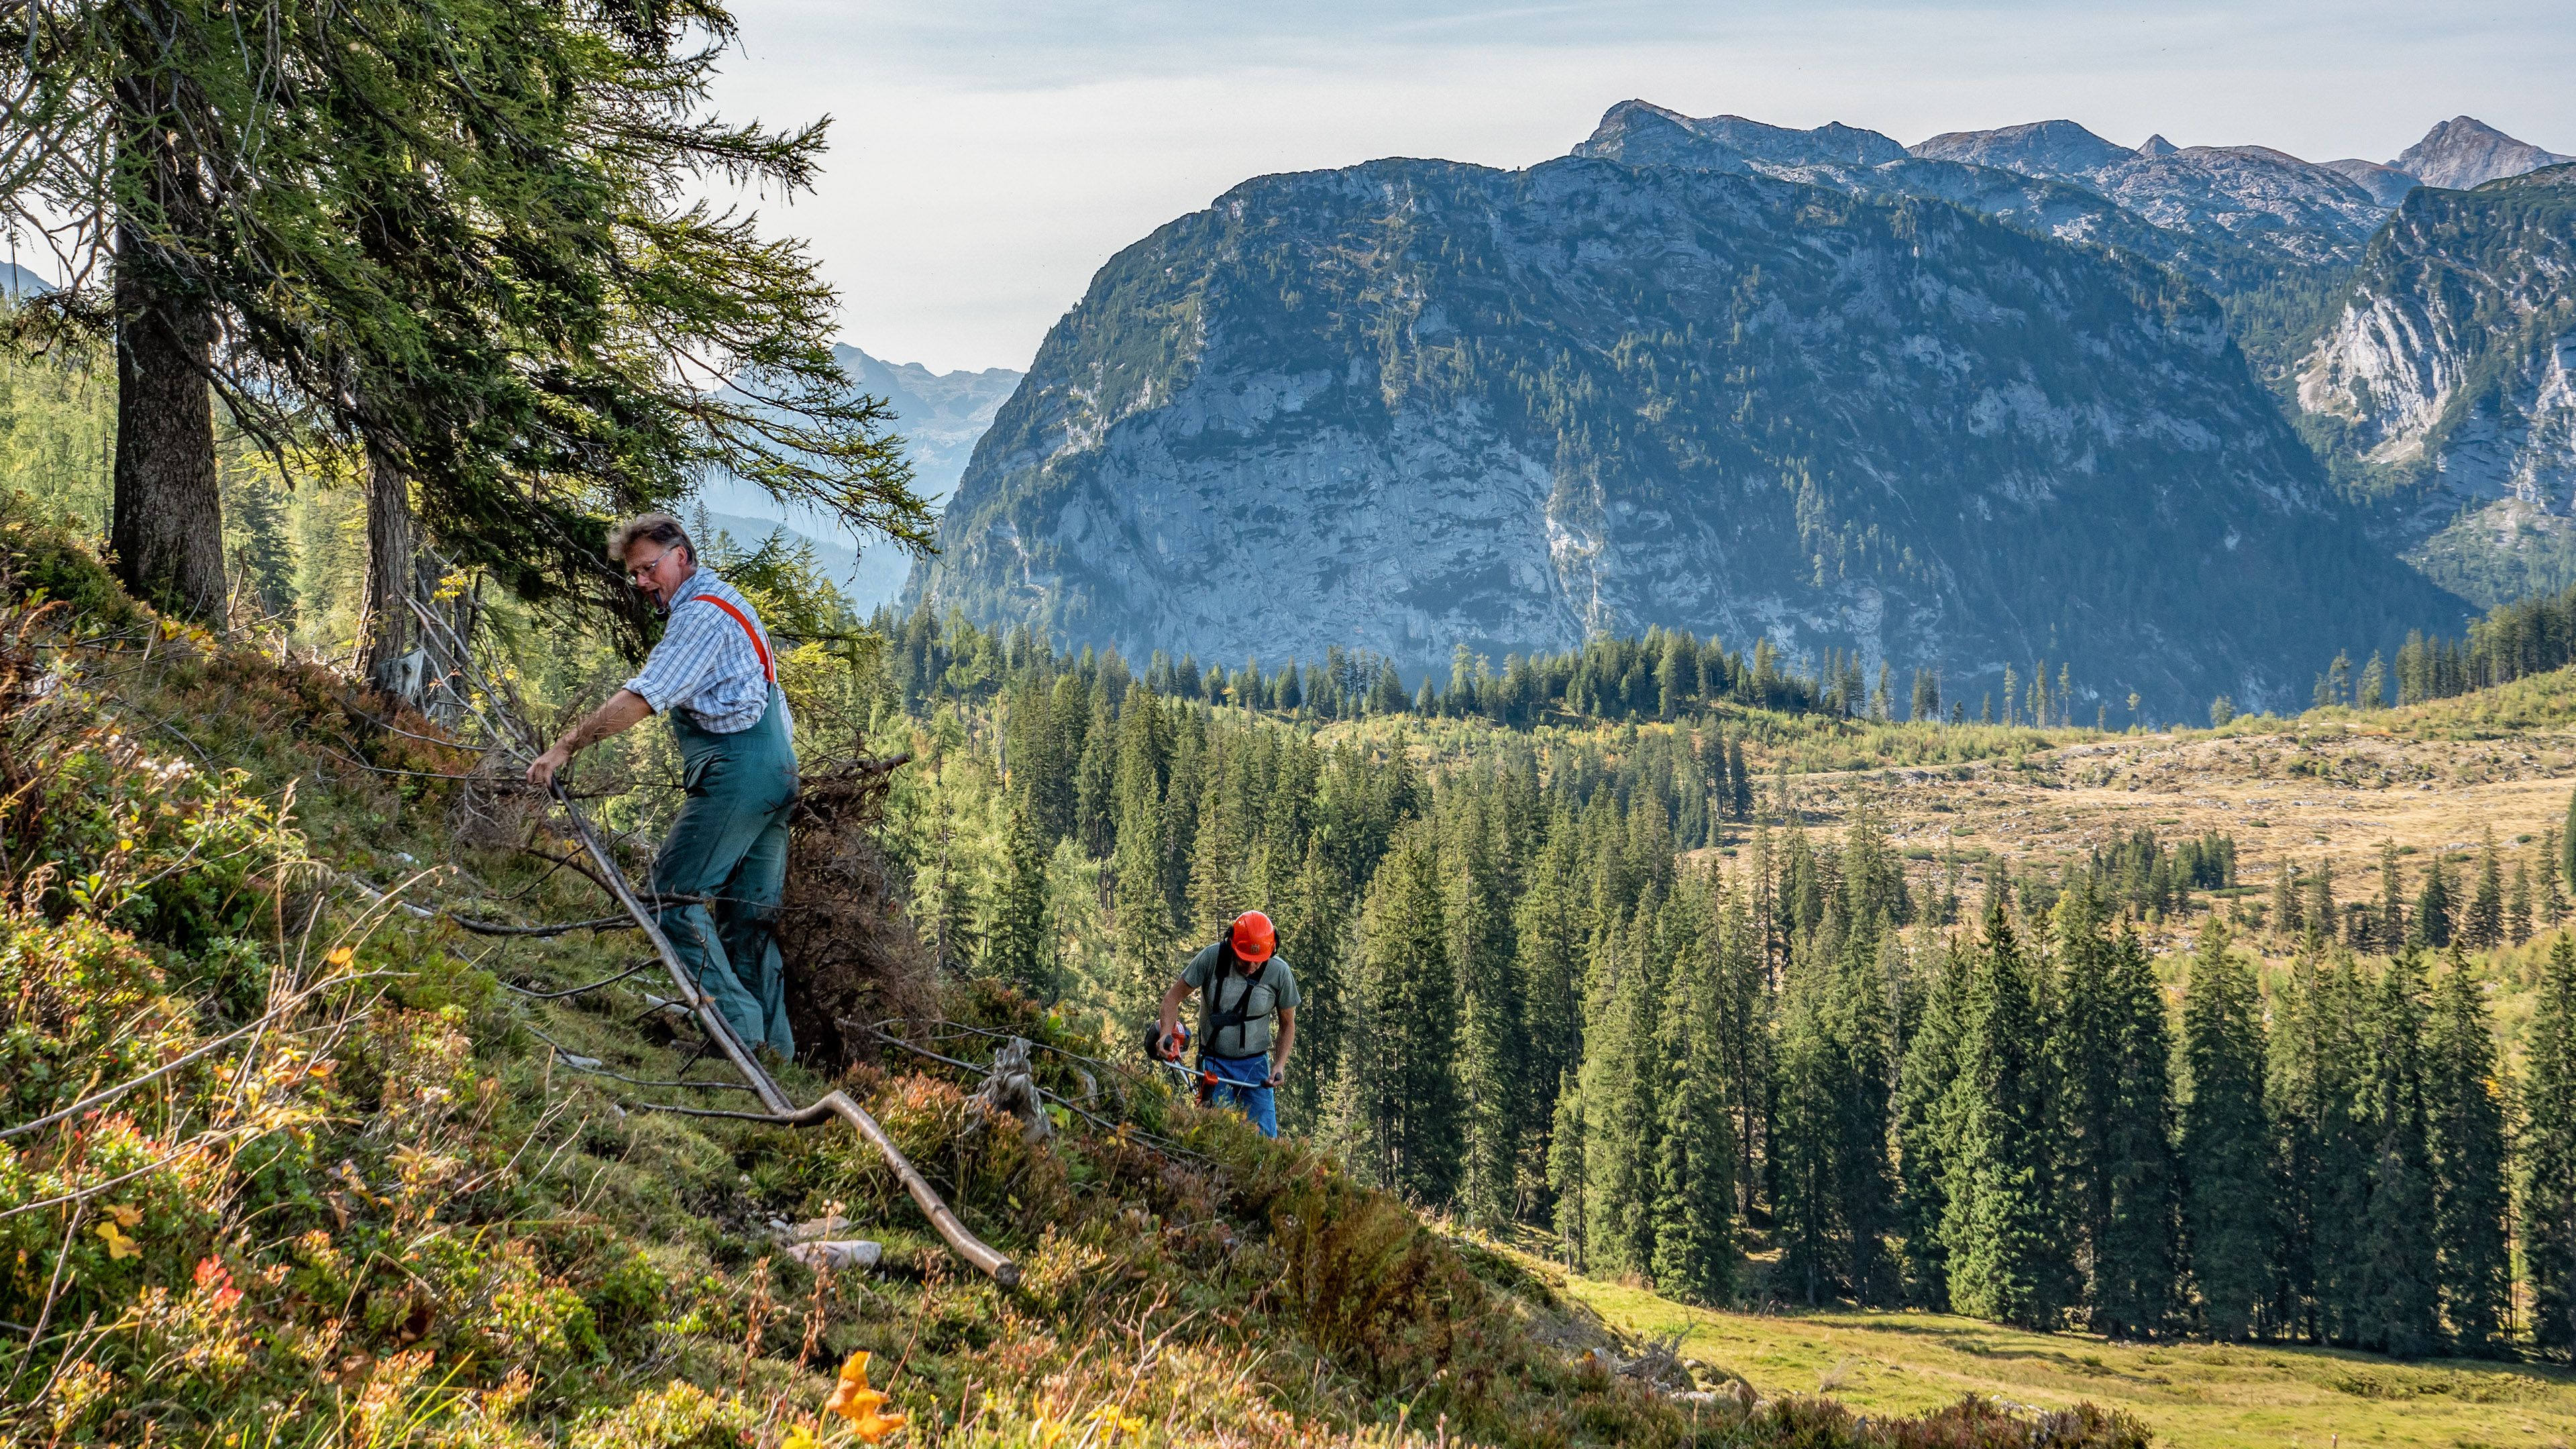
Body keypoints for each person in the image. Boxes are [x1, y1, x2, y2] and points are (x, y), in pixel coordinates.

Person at [526, 513, 798, 1057]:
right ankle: (777, 1054)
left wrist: (565, 747)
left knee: (670, 896)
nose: (643, 582)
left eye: (650, 568)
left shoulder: (699, 617)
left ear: (682, 555)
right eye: (635, 574)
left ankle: (739, 1036)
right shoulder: (726, 600)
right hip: (777, 772)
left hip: (740, 774)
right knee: (750, 920)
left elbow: (642, 698)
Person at [1153, 910, 1299, 1136]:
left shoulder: (1280, 973)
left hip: (1255, 1067)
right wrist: (1165, 1034)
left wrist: (1279, 1065)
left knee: (1265, 1139)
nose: (1251, 966)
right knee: (1215, 1134)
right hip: (1214, 1063)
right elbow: (1172, 999)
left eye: (1257, 962)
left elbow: (1287, 1024)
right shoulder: (1211, 959)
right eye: (1244, 960)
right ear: (1232, 944)